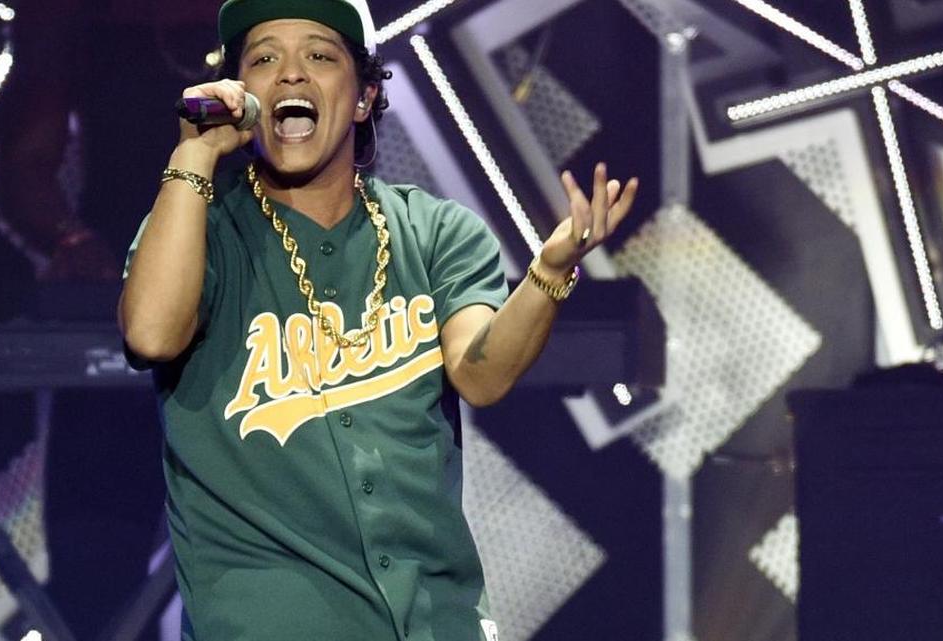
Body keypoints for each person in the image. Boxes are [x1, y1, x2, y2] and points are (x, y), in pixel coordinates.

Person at [118, 1, 639, 639]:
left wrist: (551, 272)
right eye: (264, 58)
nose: (289, 73)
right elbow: (150, 335)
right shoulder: (199, 230)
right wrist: (194, 154)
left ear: (364, 98)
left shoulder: (436, 231)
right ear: (241, 95)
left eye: (318, 55)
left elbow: (480, 375)